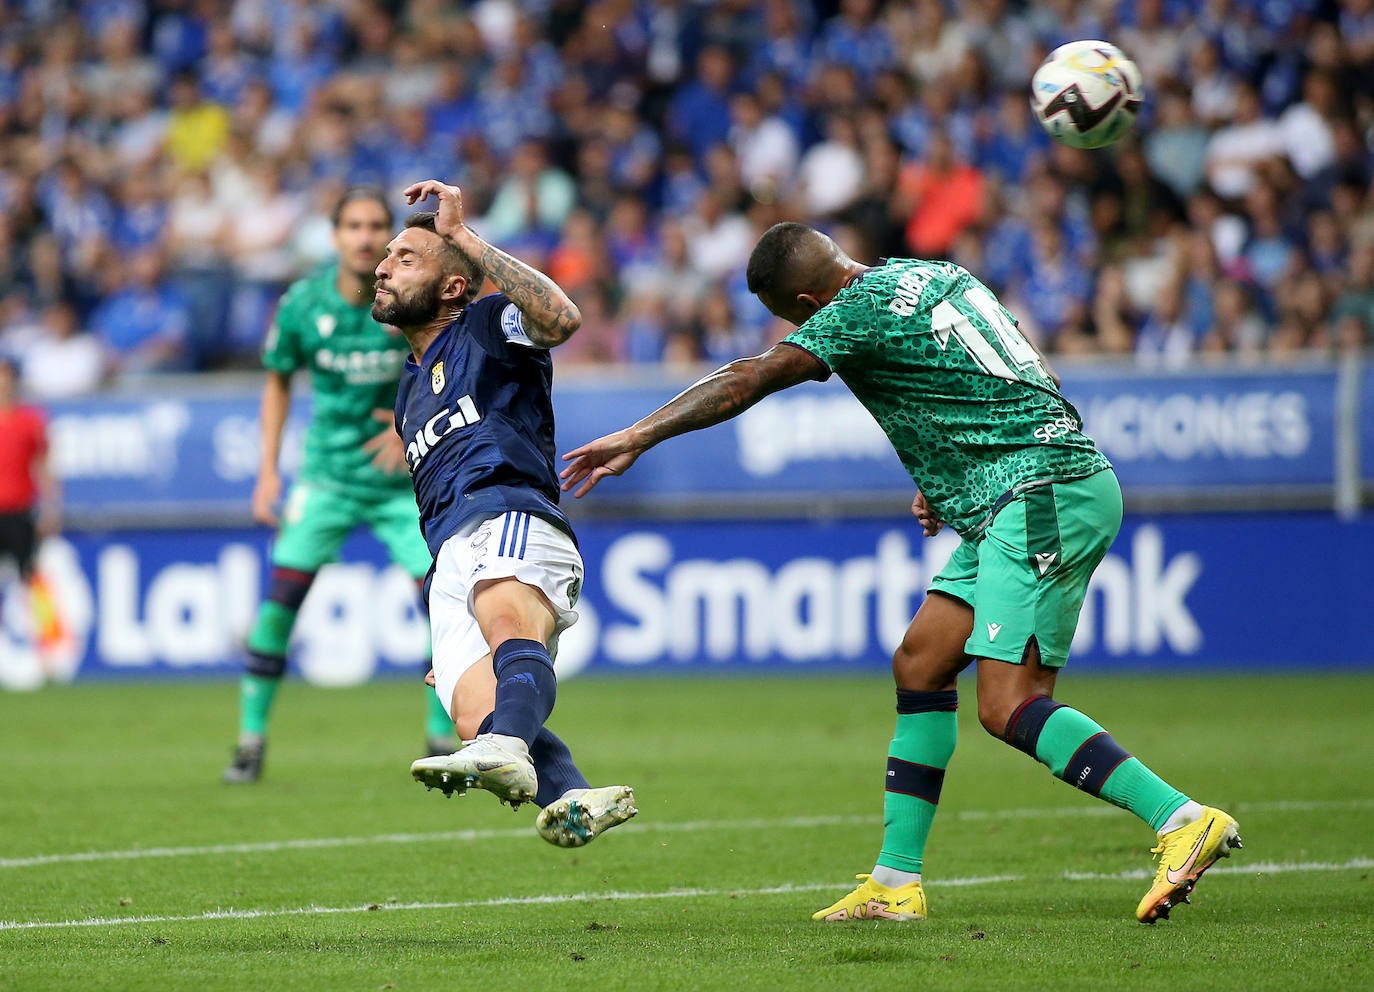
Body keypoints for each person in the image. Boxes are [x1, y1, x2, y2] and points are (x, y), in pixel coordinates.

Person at [561, 221, 1241, 922]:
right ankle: (895, 882)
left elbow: (751, 377)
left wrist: (638, 434)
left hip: (1041, 492)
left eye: (793, 319)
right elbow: (1036, 373)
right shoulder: (938, 274)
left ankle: (1181, 818)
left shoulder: (849, 309)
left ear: (803, 299)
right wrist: (947, 470)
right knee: (921, 663)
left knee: (1009, 703)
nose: (799, 328)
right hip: (1006, 494)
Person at [372, 178, 636, 848]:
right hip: (450, 551)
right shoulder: (407, 391)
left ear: (453, 286)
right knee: (472, 712)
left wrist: (462, 238)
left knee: (506, 624)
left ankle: (510, 745)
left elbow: (563, 320)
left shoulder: (490, 325)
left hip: (509, 510)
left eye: (406, 257)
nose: (382, 265)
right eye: (387, 256)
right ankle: (575, 794)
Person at [223, 187, 455, 784]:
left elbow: (451, 367)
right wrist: (268, 470)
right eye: (352, 225)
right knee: (278, 606)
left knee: (440, 605)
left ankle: (440, 738)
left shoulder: (412, 296)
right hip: (325, 478)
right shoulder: (302, 305)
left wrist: (408, 430)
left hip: (401, 482)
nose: (363, 236)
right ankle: (250, 744)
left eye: (375, 225)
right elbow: (276, 382)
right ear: (334, 236)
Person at [0, 354, 61, 655]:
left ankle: (49, 648)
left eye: (6, 374)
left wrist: (51, 508)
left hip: (20, 511)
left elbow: (44, 467)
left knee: (33, 580)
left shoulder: (30, 421)